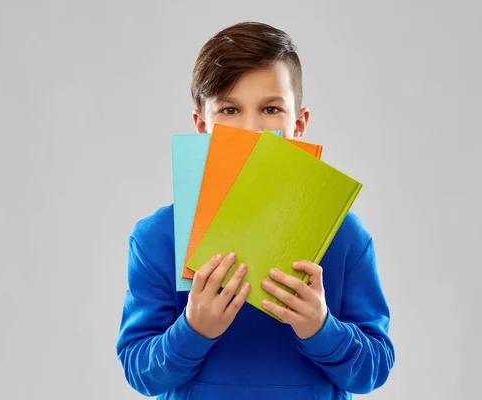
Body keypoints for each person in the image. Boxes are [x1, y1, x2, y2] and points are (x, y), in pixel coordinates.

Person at [115, 21, 395, 400]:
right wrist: (194, 329)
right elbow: (139, 371)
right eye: (229, 109)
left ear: (299, 125)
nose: (251, 129)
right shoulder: (157, 238)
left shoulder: (343, 234)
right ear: (202, 127)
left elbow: (374, 369)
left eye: (271, 109)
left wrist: (321, 327)